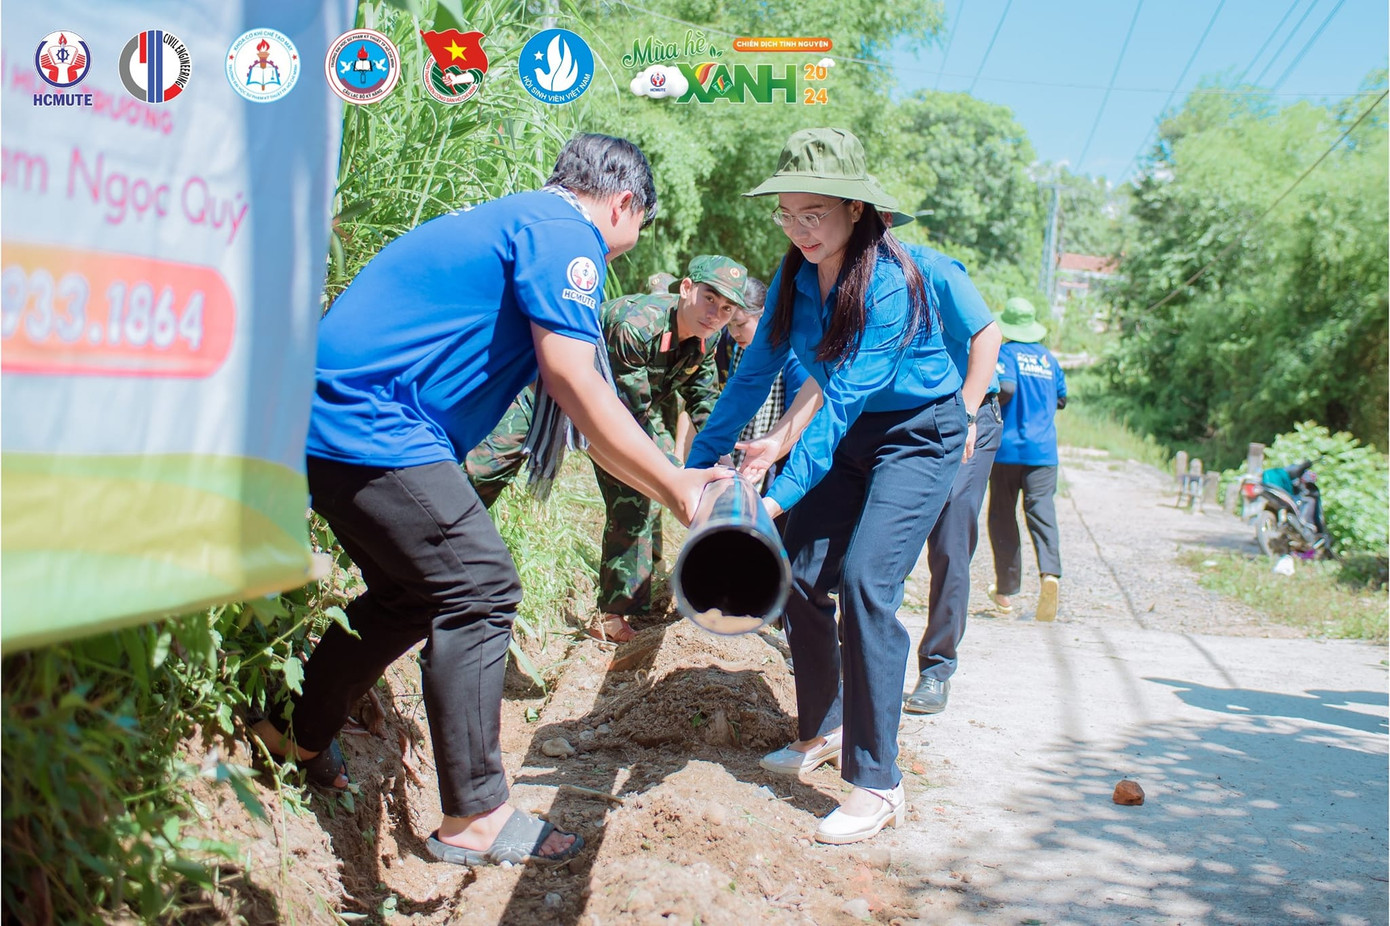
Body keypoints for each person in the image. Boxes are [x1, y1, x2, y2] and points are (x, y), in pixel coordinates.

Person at [250, 133, 728, 868]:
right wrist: (677, 486)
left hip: (340, 418)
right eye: (639, 226)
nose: (629, 244)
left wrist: (667, 479)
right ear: (625, 202)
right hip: (368, 422)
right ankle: (475, 812)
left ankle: (293, 732)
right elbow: (573, 377)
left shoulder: (522, 220)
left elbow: (579, 404)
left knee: (414, 594)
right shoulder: (566, 232)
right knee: (480, 586)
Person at [687, 128, 967, 846]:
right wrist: (704, 463)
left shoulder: (889, 282)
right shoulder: (793, 276)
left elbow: (837, 401)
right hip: (853, 435)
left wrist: (774, 495)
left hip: (916, 434)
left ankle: (877, 781)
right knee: (801, 572)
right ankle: (824, 725)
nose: (799, 229)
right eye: (787, 214)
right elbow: (755, 374)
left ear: (855, 209)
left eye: (814, 213)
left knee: (871, 584)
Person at [593, 254, 750, 643]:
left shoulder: (707, 336)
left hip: (638, 406)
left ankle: (643, 587)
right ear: (685, 288)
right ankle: (612, 614)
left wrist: (725, 457)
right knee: (634, 492)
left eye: (727, 308)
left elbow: (703, 399)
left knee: (660, 483)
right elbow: (630, 417)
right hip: (588, 403)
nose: (716, 313)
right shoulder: (636, 326)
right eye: (709, 298)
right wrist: (676, 472)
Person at [898, 240, 1002, 715]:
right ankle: (856, 655)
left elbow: (987, 335)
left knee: (948, 539)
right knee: (884, 541)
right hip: (907, 418)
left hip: (969, 415)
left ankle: (937, 668)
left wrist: (969, 411)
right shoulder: (842, 276)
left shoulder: (933, 270)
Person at [986, 297, 1067, 622]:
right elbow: (1061, 398)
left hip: (1008, 451)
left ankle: (1005, 592)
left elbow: (1005, 387)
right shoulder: (1049, 359)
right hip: (1044, 453)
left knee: (1003, 517)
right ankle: (1050, 574)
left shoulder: (1005, 353)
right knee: (1042, 512)